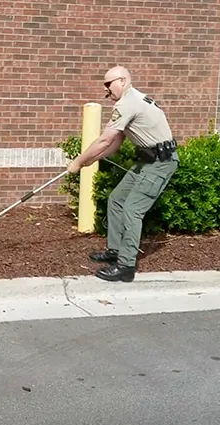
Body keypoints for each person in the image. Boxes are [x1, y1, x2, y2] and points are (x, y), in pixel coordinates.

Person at [66, 65, 179, 282]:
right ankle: (115, 251)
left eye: (108, 85)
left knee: (132, 209)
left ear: (123, 81)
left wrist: (78, 162)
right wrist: (90, 161)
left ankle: (126, 266)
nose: (106, 91)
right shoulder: (130, 101)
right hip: (147, 161)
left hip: (160, 164)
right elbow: (114, 145)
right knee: (116, 200)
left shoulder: (128, 103)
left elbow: (104, 140)